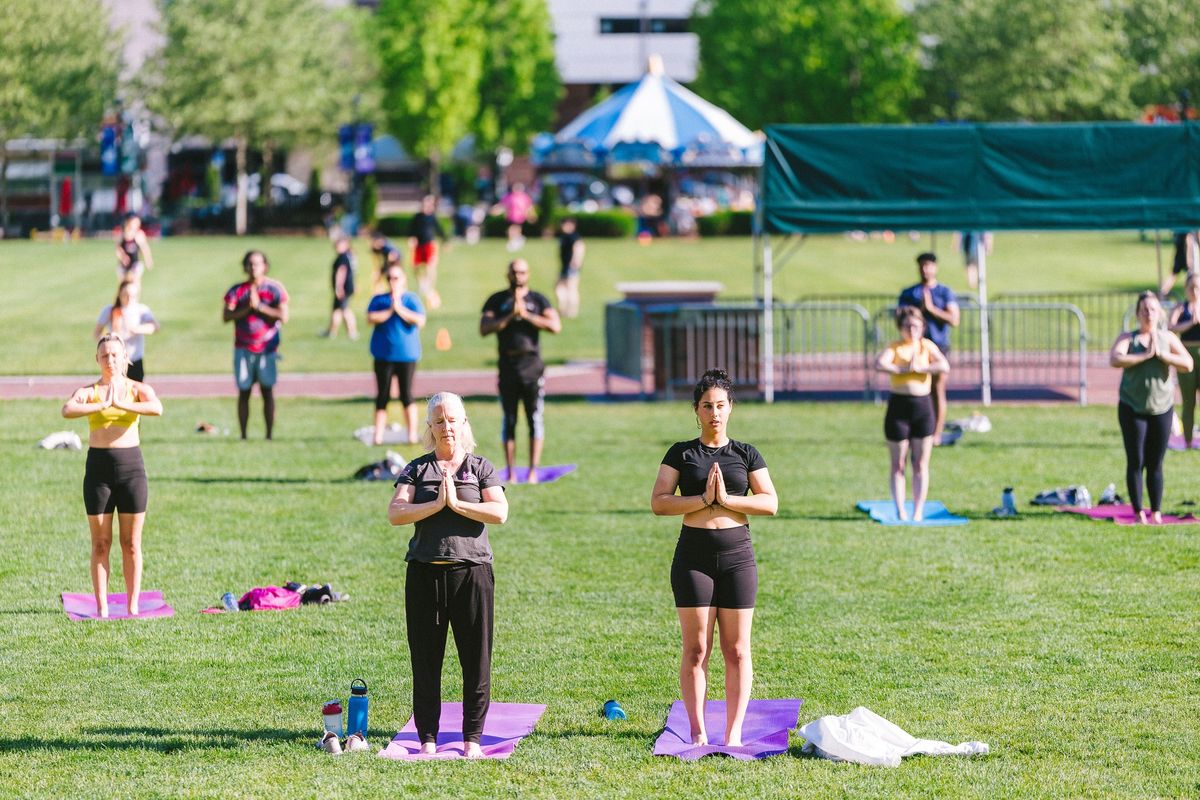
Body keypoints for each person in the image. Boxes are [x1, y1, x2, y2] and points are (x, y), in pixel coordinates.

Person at [650, 369, 778, 747]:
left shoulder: (746, 453)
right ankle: (697, 730)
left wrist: (727, 501)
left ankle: (733, 732)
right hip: (694, 555)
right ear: (696, 410)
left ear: (731, 408)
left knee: (737, 649)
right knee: (696, 648)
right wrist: (702, 501)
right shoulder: (681, 452)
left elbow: (770, 502)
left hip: (737, 555)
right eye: (707, 406)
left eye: (721, 405)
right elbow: (659, 502)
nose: (714, 413)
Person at [387, 392, 508, 758]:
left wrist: (457, 504)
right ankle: (427, 738)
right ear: (430, 428)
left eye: (452, 420)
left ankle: (472, 737)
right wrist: (436, 504)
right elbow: (396, 513)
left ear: (464, 423)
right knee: (425, 660)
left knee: (476, 659)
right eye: (439, 421)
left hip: (472, 574)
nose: (446, 427)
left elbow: (499, 512)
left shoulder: (480, 467)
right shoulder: (417, 468)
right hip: (425, 574)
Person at [61, 334, 164, 617]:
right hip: (99, 471)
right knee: (100, 543)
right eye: (105, 356)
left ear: (125, 358)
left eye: (115, 355)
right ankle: (102, 608)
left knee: (131, 544)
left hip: (132, 470)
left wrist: (121, 404)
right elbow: (67, 409)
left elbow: (157, 407)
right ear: (97, 359)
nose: (110, 361)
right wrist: (101, 405)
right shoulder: (90, 391)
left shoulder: (137, 389)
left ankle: (133, 606)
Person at [1110, 291, 1194, 523]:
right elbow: (1116, 358)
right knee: (1136, 460)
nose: (1149, 314)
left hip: (1162, 409)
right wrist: (1145, 356)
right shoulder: (1129, 338)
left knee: (1156, 462)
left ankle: (1155, 512)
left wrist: (1163, 356)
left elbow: (1187, 363)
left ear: (1160, 313)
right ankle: (1138, 513)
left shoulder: (1168, 338)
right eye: (1144, 310)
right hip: (1132, 408)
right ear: (1137, 313)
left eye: (1153, 309)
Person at [479, 259, 561, 483]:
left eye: (522, 272)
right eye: (514, 272)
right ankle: (512, 472)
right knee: (509, 419)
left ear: (528, 274)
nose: (518, 276)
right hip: (507, 365)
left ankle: (534, 470)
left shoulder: (537, 299)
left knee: (534, 418)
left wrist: (526, 315)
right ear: (507, 274)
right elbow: (484, 328)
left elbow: (555, 325)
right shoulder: (497, 300)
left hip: (532, 366)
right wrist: (507, 317)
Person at [875, 306, 950, 521]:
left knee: (920, 463)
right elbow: (879, 363)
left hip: (922, 407)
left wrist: (921, 368)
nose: (912, 330)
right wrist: (902, 370)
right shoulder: (896, 347)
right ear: (901, 328)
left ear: (922, 327)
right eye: (907, 326)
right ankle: (900, 510)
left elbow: (944, 365)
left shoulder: (926, 346)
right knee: (898, 463)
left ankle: (918, 511)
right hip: (899, 407)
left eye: (916, 326)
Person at [223, 250, 289, 440]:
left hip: (267, 349)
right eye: (250, 264)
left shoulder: (274, 289)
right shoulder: (237, 290)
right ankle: (243, 435)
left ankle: (269, 435)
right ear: (245, 266)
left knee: (267, 391)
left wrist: (259, 307)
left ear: (265, 266)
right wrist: (247, 309)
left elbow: (283, 316)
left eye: (257, 264)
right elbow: (227, 315)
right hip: (243, 347)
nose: (253, 268)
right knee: (244, 392)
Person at [898, 252, 959, 444]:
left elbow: (954, 319)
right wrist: (919, 311)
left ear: (935, 267)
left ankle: (936, 434)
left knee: (936, 389)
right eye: (922, 266)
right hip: (914, 347)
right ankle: (916, 430)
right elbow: (899, 318)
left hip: (938, 346)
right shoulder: (909, 293)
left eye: (929, 265)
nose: (925, 269)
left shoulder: (944, 292)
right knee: (913, 389)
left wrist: (932, 309)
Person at [367, 264, 426, 445]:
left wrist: (399, 308)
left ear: (404, 279)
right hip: (383, 355)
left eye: (396, 278)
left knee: (406, 394)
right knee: (382, 395)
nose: (393, 282)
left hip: (406, 356)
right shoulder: (379, 300)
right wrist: (391, 309)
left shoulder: (411, 300)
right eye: (390, 278)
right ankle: (378, 435)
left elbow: (420, 320)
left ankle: (411, 434)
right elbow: (371, 318)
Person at [94, 278, 159, 382]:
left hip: (135, 360)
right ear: (120, 294)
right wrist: (108, 342)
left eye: (132, 295)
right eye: (126, 294)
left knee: (135, 394)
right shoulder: (111, 310)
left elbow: (154, 327)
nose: (129, 298)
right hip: (116, 361)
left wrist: (138, 329)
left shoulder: (141, 310)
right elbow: (96, 333)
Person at [1169, 274, 1200, 447]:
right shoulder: (1181, 308)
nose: (1195, 291)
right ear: (1186, 288)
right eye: (1191, 287)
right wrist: (1190, 323)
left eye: (1198, 287)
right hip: (1186, 354)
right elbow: (1171, 328)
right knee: (1188, 401)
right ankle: (1187, 440)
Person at [407, 194, 447, 310]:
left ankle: (430, 288)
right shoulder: (417, 217)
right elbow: (411, 230)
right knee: (416, 268)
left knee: (430, 267)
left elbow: (439, 229)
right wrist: (411, 238)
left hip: (429, 245)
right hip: (419, 245)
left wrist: (445, 241)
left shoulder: (432, 217)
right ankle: (423, 285)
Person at [323, 236, 358, 340]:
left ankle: (352, 332)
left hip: (344, 289)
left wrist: (339, 287)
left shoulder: (343, 257)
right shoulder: (347, 256)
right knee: (337, 310)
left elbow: (341, 272)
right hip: (345, 288)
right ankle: (331, 331)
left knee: (344, 310)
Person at [554, 217, 585, 319]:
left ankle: (572, 311)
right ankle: (563, 308)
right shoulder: (565, 236)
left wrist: (576, 261)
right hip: (564, 266)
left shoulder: (573, 236)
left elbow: (579, 247)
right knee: (559, 287)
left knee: (571, 288)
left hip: (571, 267)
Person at [115, 213, 153, 282]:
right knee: (123, 285)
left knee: (135, 283)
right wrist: (123, 257)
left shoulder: (138, 235)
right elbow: (118, 248)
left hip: (135, 264)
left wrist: (148, 260)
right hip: (123, 265)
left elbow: (145, 249)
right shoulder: (122, 235)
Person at [498, 183, 534, 252]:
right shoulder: (509, 197)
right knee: (513, 231)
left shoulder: (524, 197)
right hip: (510, 216)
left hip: (519, 217)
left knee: (512, 230)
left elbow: (529, 207)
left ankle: (514, 243)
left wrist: (531, 215)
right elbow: (503, 205)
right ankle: (517, 241)